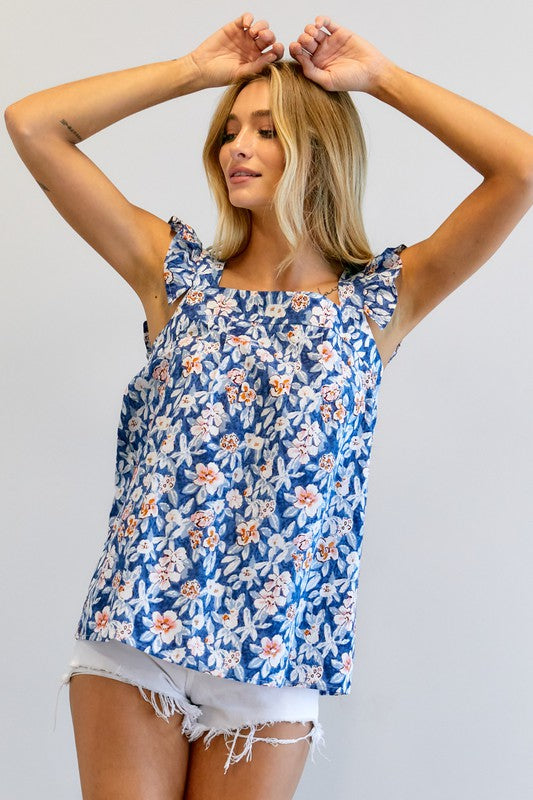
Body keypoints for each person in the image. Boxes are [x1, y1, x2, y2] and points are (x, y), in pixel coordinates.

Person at [5, 10, 533, 800]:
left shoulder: (381, 299)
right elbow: (33, 124)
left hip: (277, 648)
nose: (236, 148)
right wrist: (192, 71)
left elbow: (519, 169)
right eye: (229, 130)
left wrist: (379, 78)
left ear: (319, 150)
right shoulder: (174, 274)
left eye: (266, 130)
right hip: (140, 624)